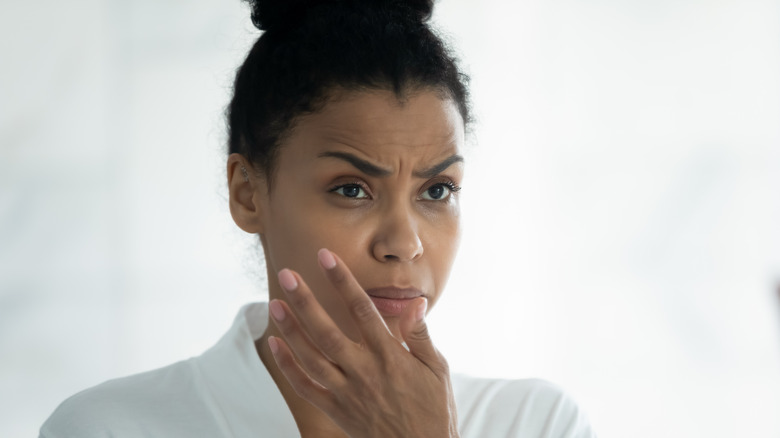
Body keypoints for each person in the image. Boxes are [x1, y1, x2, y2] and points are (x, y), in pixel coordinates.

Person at [40, 0, 595, 436]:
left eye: (437, 190)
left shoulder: (537, 424)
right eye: (352, 189)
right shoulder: (108, 429)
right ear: (248, 194)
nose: (404, 243)